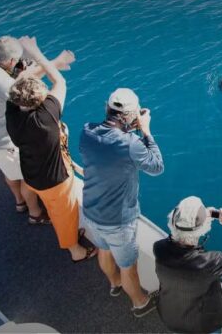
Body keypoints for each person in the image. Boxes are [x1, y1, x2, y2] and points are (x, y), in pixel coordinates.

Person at [5, 36, 97, 263]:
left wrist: (38, 59)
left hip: (30, 171)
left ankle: (34, 212)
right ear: (41, 100)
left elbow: (20, 85)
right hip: (54, 180)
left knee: (41, 198)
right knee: (64, 215)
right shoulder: (45, 118)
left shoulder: (12, 112)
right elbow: (60, 82)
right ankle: (75, 250)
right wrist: (35, 52)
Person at [0, 35, 75, 223]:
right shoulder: (4, 85)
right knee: (26, 178)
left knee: (9, 171)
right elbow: (24, 87)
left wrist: (46, 66)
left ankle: (19, 202)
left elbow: (20, 83)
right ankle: (35, 214)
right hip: (0, 140)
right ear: (11, 61)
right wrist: (56, 63)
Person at [79, 87, 164, 317]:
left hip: (91, 209)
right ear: (131, 115)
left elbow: (108, 146)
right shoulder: (132, 143)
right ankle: (140, 302)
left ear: (107, 108)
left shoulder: (87, 130)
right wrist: (145, 131)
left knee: (103, 249)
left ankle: (114, 284)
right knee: (129, 266)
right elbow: (157, 167)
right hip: (117, 220)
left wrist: (128, 128)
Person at [154, 196, 222, 333]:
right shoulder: (207, 263)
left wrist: (202, 218)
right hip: (202, 326)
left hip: (171, 317)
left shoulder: (159, 248)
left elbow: (174, 236)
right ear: (203, 229)